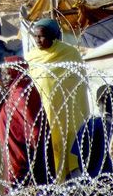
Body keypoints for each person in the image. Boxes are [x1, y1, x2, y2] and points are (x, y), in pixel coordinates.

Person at [26, 18, 89, 182]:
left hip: (66, 112)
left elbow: (79, 84)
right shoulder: (32, 56)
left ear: (54, 36)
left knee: (67, 147)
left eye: (42, 36)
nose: (38, 41)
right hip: (42, 111)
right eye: (35, 36)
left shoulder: (69, 54)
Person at [0, 56, 53, 186]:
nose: (3, 78)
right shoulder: (20, 89)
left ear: (16, 72)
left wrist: (35, 157)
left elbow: (33, 130)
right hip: (21, 156)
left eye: (7, 73)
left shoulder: (21, 93)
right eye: (2, 73)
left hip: (22, 159)